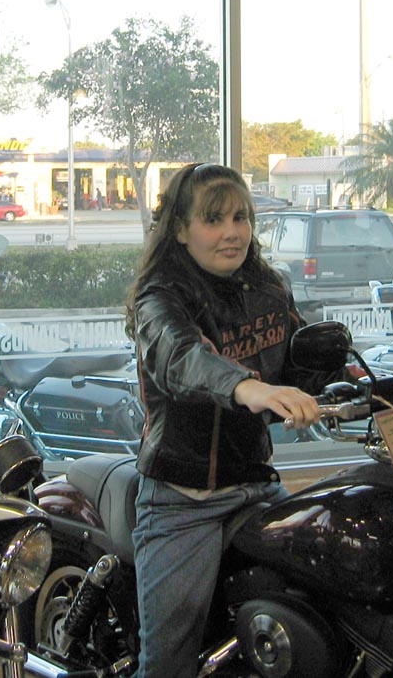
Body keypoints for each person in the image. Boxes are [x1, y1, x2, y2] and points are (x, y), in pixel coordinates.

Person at [125, 162, 333, 678]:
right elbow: (180, 357)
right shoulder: (160, 298)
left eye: (241, 218)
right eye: (214, 219)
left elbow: (308, 362)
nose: (232, 232)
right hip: (183, 500)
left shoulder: (267, 289)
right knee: (168, 663)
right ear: (180, 228)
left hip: (256, 486)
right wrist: (250, 387)